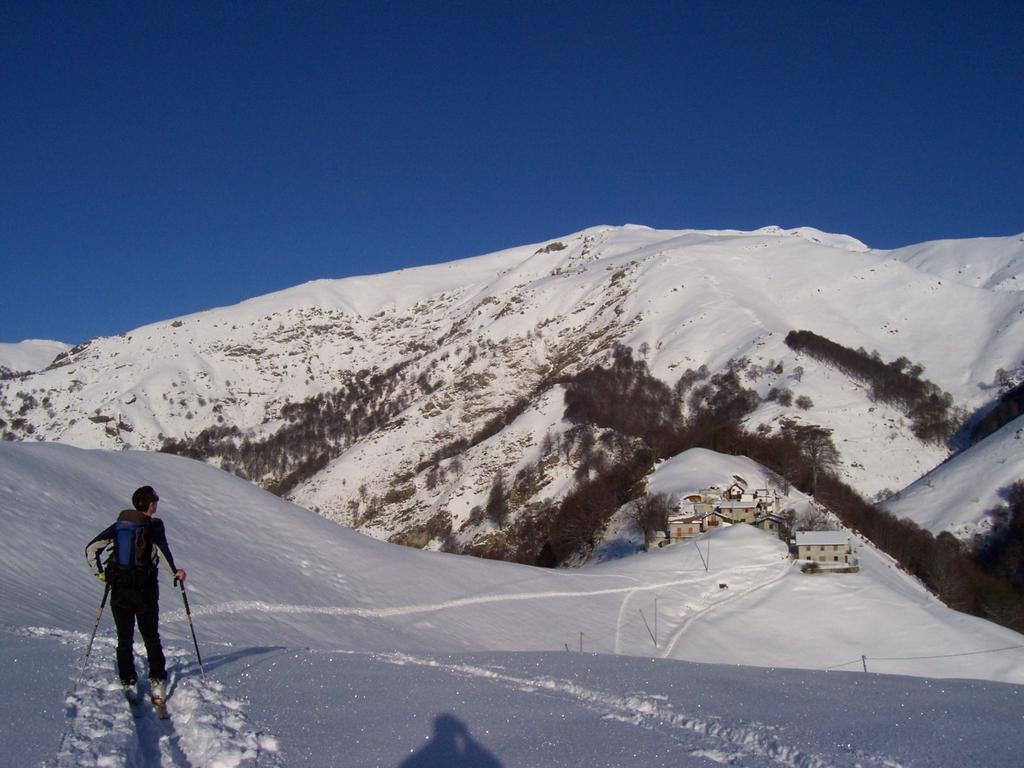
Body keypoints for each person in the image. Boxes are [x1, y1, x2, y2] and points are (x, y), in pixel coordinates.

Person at [85, 485, 186, 702]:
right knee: (151, 637)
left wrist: (101, 574)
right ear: (151, 504)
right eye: (155, 500)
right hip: (145, 590)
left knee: (124, 639)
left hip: (120, 589)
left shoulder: (120, 525)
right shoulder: (154, 525)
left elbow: (91, 549)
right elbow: (163, 553)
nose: (156, 503)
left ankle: (128, 681)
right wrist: (176, 572)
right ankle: (157, 681)